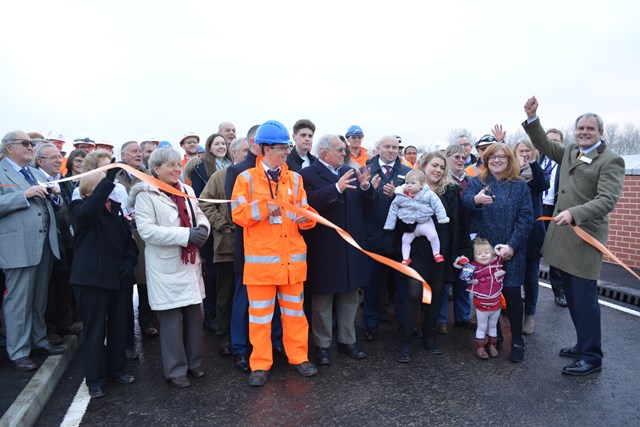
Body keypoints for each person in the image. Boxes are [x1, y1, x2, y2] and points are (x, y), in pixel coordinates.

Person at [523, 96, 625, 376]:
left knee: (585, 302)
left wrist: (575, 213)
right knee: (573, 297)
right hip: (562, 240)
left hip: (583, 240)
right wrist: (533, 119)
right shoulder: (570, 151)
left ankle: (592, 357)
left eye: (590, 129)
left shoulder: (611, 160)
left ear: (600, 133)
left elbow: (607, 200)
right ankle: (582, 344)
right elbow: (544, 145)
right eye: (581, 128)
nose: (584, 132)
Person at [231, 120, 318, 386]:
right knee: (260, 318)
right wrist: (263, 208)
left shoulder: (295, 178)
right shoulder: (245, 179)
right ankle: (260, 364)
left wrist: (308, 220)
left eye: (287, 146)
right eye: (282, 147)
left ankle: (299, 357)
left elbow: (305, 210)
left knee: (294, 314)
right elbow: (238, 214)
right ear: (265, 149)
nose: (286, 151)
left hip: (292, 263)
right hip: (262, 267)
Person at [131, 147, 210, 388]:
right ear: (156, 169)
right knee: (171, 321)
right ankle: (176, 371)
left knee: (195, 316)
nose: (177, 169)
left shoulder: (186, 189)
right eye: (171, 165)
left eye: (178, 164)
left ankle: (195, 364)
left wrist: (203, 230)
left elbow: (200, 214)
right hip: (166, 266)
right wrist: (186, 234)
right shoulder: (146, 194)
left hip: (189, 262)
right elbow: (147, 231)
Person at [300, 134, 372, 365]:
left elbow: (365, 207)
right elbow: (309, 205)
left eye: (344, 150)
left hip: (350, 246)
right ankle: (322, 345)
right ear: (324, 154)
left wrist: (365, 188)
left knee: (350, 297)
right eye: (340, 149)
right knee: (323, 300)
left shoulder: (347, 172)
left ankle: (348, 340)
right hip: (324, 247)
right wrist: (336, 189)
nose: (345, 153)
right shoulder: (307, 175)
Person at [396, 151, 472, 363]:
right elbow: (400, 222)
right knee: (414, 292)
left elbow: (459, 224)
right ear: (423, 166)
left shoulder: (451, 191)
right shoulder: (409, 190)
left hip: (442, 252)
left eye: (441, 167)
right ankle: (407, 340)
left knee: (437, 294)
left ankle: (430, 336)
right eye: (434, 166)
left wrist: (462, 252)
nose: (438, 170)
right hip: (416, 251)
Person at [69, 168, 138, 398]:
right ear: (92, 189)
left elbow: (128, 240)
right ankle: (95, 379)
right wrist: (107, 179)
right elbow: (89, 212)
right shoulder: (80, 209)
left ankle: (117, 369)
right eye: (105, 186)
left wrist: (129, 261)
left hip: (118, 279)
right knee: (95, 331)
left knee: (118, 327)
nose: (112, 188)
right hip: (91, 281)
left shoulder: (116, 210)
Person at [462, 143, 533, 362]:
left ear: (510, 159)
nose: (497, 160)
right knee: (487, 294)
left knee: (511, 295)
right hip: (485, 252)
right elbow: (464, 203)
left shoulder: (520, 186)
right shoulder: (477, 182)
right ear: (486, 160)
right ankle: (495, 337)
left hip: (511, 249)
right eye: (492, 157)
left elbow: (526, 218)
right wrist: (475, 200)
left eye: (502, 157)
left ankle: (518, 341)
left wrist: (511, 245)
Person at [0, 131, 63, 371]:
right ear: (8, 148)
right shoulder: (1, 171)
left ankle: (39, 340)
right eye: (25, 144)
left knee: (39, 298)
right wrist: (22, 196)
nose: (30, 147)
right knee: (18, 301)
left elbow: (51, 205)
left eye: (31, 143)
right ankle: (19, 351)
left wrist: (55, 197)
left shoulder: (36, 173)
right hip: (17, 247)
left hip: (44, 245)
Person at [225, 125, 285, 373]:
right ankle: (240, 348)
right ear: (261, 145)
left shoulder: (285, 173)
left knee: (278, 304)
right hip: (250, 249)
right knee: (244, 301)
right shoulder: (239, 172)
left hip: (279, 250)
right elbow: (235, 212)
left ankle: (275, 344)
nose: (285, 151)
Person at [199, 137, 249, 357]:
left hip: (255, 248)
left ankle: (247, 335)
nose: (250, 155)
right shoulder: (221, 176)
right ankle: (226, 336)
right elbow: (204, 202)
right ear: (235, 152)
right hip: (229, 246)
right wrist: (221, 224)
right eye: (246, 151)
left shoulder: (257, 176)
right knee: (227, 293)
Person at [363, 135, 412, 341]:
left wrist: (397, 197)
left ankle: (404, 322)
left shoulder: (407, 172)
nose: (391, 150)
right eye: (387, 146)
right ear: (378, 148)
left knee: (402, 285)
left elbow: (415, 205)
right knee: (373, 286)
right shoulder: (365, 170)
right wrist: (368, 191)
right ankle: (370, 324)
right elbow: (359, 204)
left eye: (395, 147)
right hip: (373, 238)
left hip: (400, 239)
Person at [35, 143, 75, 343]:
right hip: (49, 242)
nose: (58, 160)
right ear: (40, 161)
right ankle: (49, 328)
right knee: (50, 286)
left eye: (59, 157)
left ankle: (62, 323)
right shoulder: (35, 179)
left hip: (67, 241)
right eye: (53, 157)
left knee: (64, 284)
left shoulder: (63, 180)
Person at [514, 140, 549, 335]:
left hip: (533, 233)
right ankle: (510, 309)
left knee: (531, 277)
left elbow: (543, 184)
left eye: (528, 150)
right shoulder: (511, 173)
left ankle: (529, 315)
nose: (524, 154)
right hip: (512, 231)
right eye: (521, 151)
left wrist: (534, 162)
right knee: (510, 275)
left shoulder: (537, 173)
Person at [384, 168, 450, 265]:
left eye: (413, 183)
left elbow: (438, 205)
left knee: (433, 236)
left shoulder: (428, 194)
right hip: (409, 224)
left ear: (422, 184)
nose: (409, 185)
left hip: (425, 222)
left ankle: (436, 253)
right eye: (407, 183)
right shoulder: (400, 195)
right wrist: (390, 224)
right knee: (405, 240)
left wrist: (442, 217)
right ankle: (406, 258)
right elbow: (393, 210)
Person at [454, 238, 505, 359]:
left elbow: (501, 251)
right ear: (474, 256)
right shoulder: (472, 266)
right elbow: (463, 277)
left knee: (493, 326)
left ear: (492, 253)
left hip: (496, 302)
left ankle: (492, 345)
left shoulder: (497, 261)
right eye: (479, 253)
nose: (483, 255)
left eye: (486, 252)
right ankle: (480, 348)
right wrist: (463, 264)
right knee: (482, 326)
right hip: (482, 304)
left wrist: (500, 249)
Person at [539, 128, 568, 307]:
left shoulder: (566, 162)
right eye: (548, 140)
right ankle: (527, 290)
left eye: (556, 141)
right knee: (533, 250)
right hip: (538, 210)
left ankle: (559, 292)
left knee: (556, 254)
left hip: (556, 211)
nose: (552, 144)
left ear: (561, 144)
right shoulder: (538, 160)